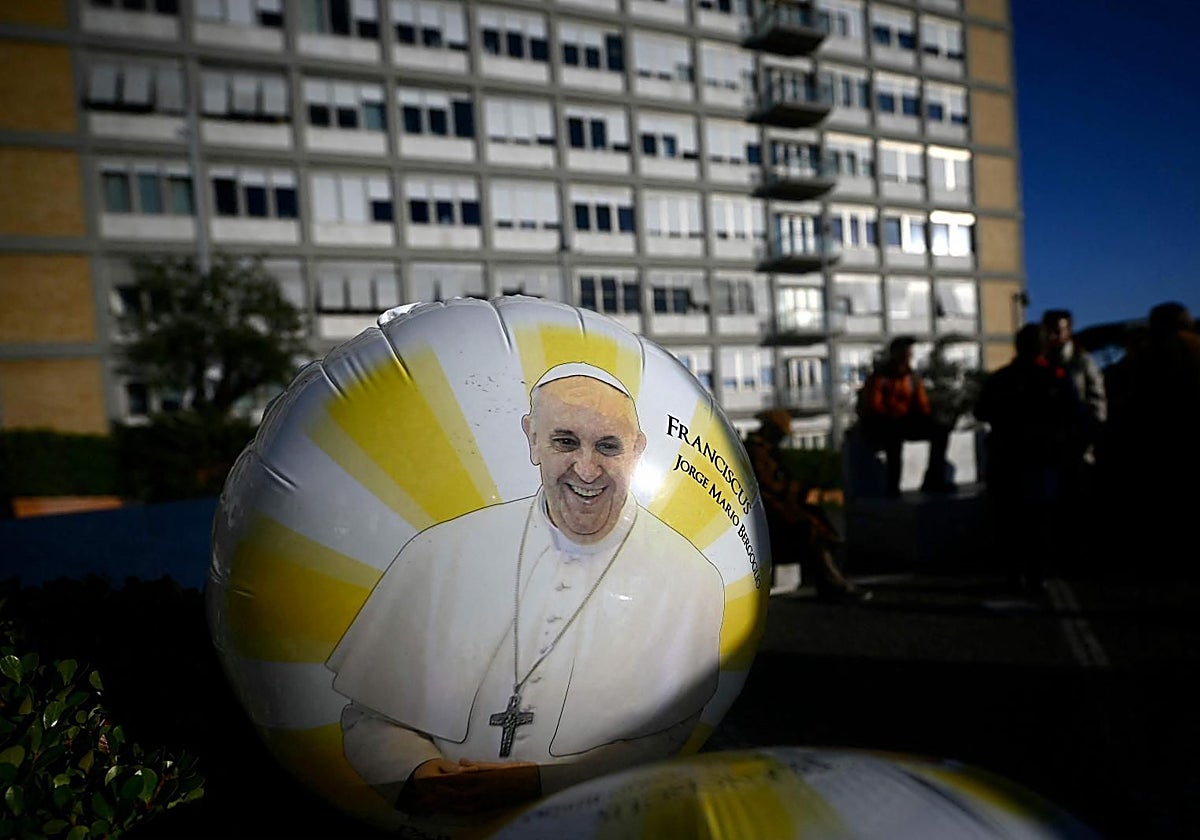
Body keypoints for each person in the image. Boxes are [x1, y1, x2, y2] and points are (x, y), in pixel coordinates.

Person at [325, 363, 725, 817]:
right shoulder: (442, 552)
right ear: (531, 438)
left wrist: (541, 784)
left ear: (637, 451)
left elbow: (670, 735)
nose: (587, 469)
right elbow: (371, 714)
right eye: (565, 441)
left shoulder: (689, 576)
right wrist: (414, 772)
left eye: (608, 447)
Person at [973, 323, 1087, 594]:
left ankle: (1014, 574)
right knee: (1040, 519)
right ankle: (1037, 576)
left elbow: (981, 410)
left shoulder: (1001, 378)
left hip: (1007, 456)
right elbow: (1075, 413)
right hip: (1043, 457)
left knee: (1009, 519)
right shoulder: (1056, 375)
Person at [744, 409, 869, 602]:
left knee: (818, 522)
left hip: (777, 509)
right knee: (809, 529)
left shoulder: (768, 451)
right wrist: (801, 493)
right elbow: (769, 487)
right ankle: (832, 583)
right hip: (767, 514)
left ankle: (832, 578)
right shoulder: (757, 452)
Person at [856, 336, 955, 497]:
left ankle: (933, 479)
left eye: (908, 351)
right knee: (893, 438)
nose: (907, 355)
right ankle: (892, 486)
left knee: (940, 431)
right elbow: (874, 406)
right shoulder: (880, 378)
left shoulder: (912, 378)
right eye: (903, 351)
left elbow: (923, 405)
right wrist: (895, 415)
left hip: (904, 422)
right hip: (881, 424)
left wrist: (924, 418)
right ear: (894, 354)